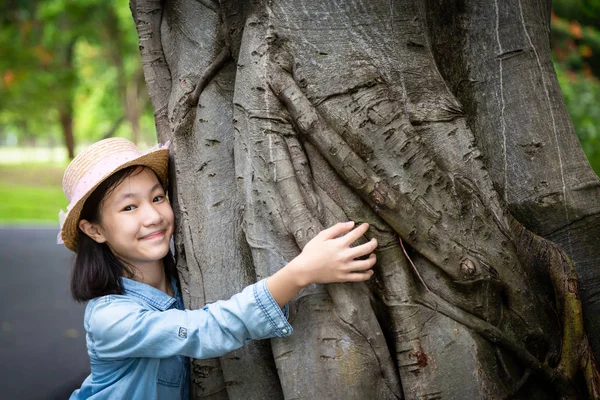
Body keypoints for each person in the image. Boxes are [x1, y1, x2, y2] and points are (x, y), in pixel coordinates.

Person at [58, 137, 378, 399]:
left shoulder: (184, 281)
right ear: (95, 230)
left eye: (157, 198)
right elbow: (204, 330)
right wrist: (300, 273)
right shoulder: (111, 318)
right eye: (129, 207)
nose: (152, 217)